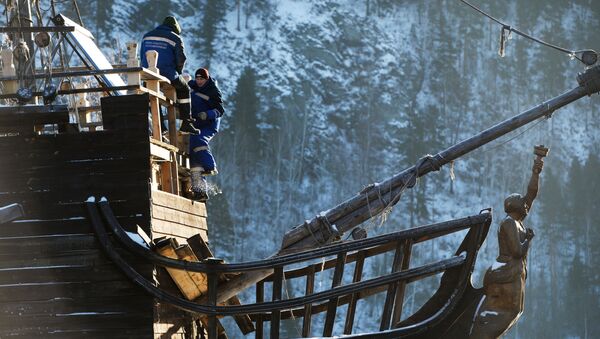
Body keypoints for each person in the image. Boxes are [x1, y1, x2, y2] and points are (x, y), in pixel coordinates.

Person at [470, 153, 545, 339]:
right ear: (515, 206)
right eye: (523, 202)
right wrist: (528, 239)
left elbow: (531, 194)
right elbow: (517, 251)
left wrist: (536, 171)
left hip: (515, 271)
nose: (526, 204)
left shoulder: (517, 222)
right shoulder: (509, 223)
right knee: (507, 312)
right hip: (508, 270)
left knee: (514, 311)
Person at [140, 16, 198, 134]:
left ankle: (160, 127)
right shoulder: (176, 38)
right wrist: (178, 72)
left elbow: (141, 56)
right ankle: (186, 122)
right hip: (167, 73)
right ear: (175, 28)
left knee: (151, 95)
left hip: (148, 73)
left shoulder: (146, 36)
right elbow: (181, 59)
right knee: (184, 89)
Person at [187, 68, 224, 201]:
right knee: (193, 155)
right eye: (197, 78)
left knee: (199, 140)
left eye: (202, 79)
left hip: (209, 124)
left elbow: (220, 110)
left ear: (207, 79)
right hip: (197, 123)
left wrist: (207, 114)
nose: (199, 81)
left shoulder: (213, 90)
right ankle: (199, 190)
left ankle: (210, 166)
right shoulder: (192, 86)